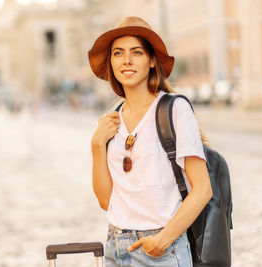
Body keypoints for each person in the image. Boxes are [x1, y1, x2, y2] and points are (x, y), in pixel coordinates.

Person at [89, 17, 213, 267]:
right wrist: (96, 146)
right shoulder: (111, 121)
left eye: (136, 52)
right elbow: (106, 201)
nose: (126, 60)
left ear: (152, 61)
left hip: (162, 249)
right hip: (115, 246)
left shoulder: (174, 109)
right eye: (118, 53)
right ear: (111, 62)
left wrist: (163, 240)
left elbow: (203, 189)